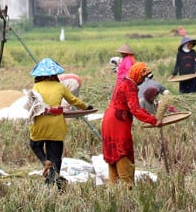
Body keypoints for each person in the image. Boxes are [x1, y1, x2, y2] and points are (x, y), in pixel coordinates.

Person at [26, 58, 91, 188]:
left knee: (35, 144)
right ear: (54, 75)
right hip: (56, 125)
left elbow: (31, 104)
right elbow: (74, 100)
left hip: (39, 124)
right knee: (55, 155)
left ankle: (44, 161)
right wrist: (86, 107)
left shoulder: (36, 86)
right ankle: (53, 181)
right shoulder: (60, 86)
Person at [102, 61, 160, 187]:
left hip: (109, 119)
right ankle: (127, 187)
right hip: (118, 122)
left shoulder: (123, 81)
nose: (143, 80)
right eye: (142, 77)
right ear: (137, 74)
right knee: (123, 151)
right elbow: (135, 110)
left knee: (113, 154)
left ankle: (113, 190)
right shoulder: (130, 86)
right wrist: (154, 120)